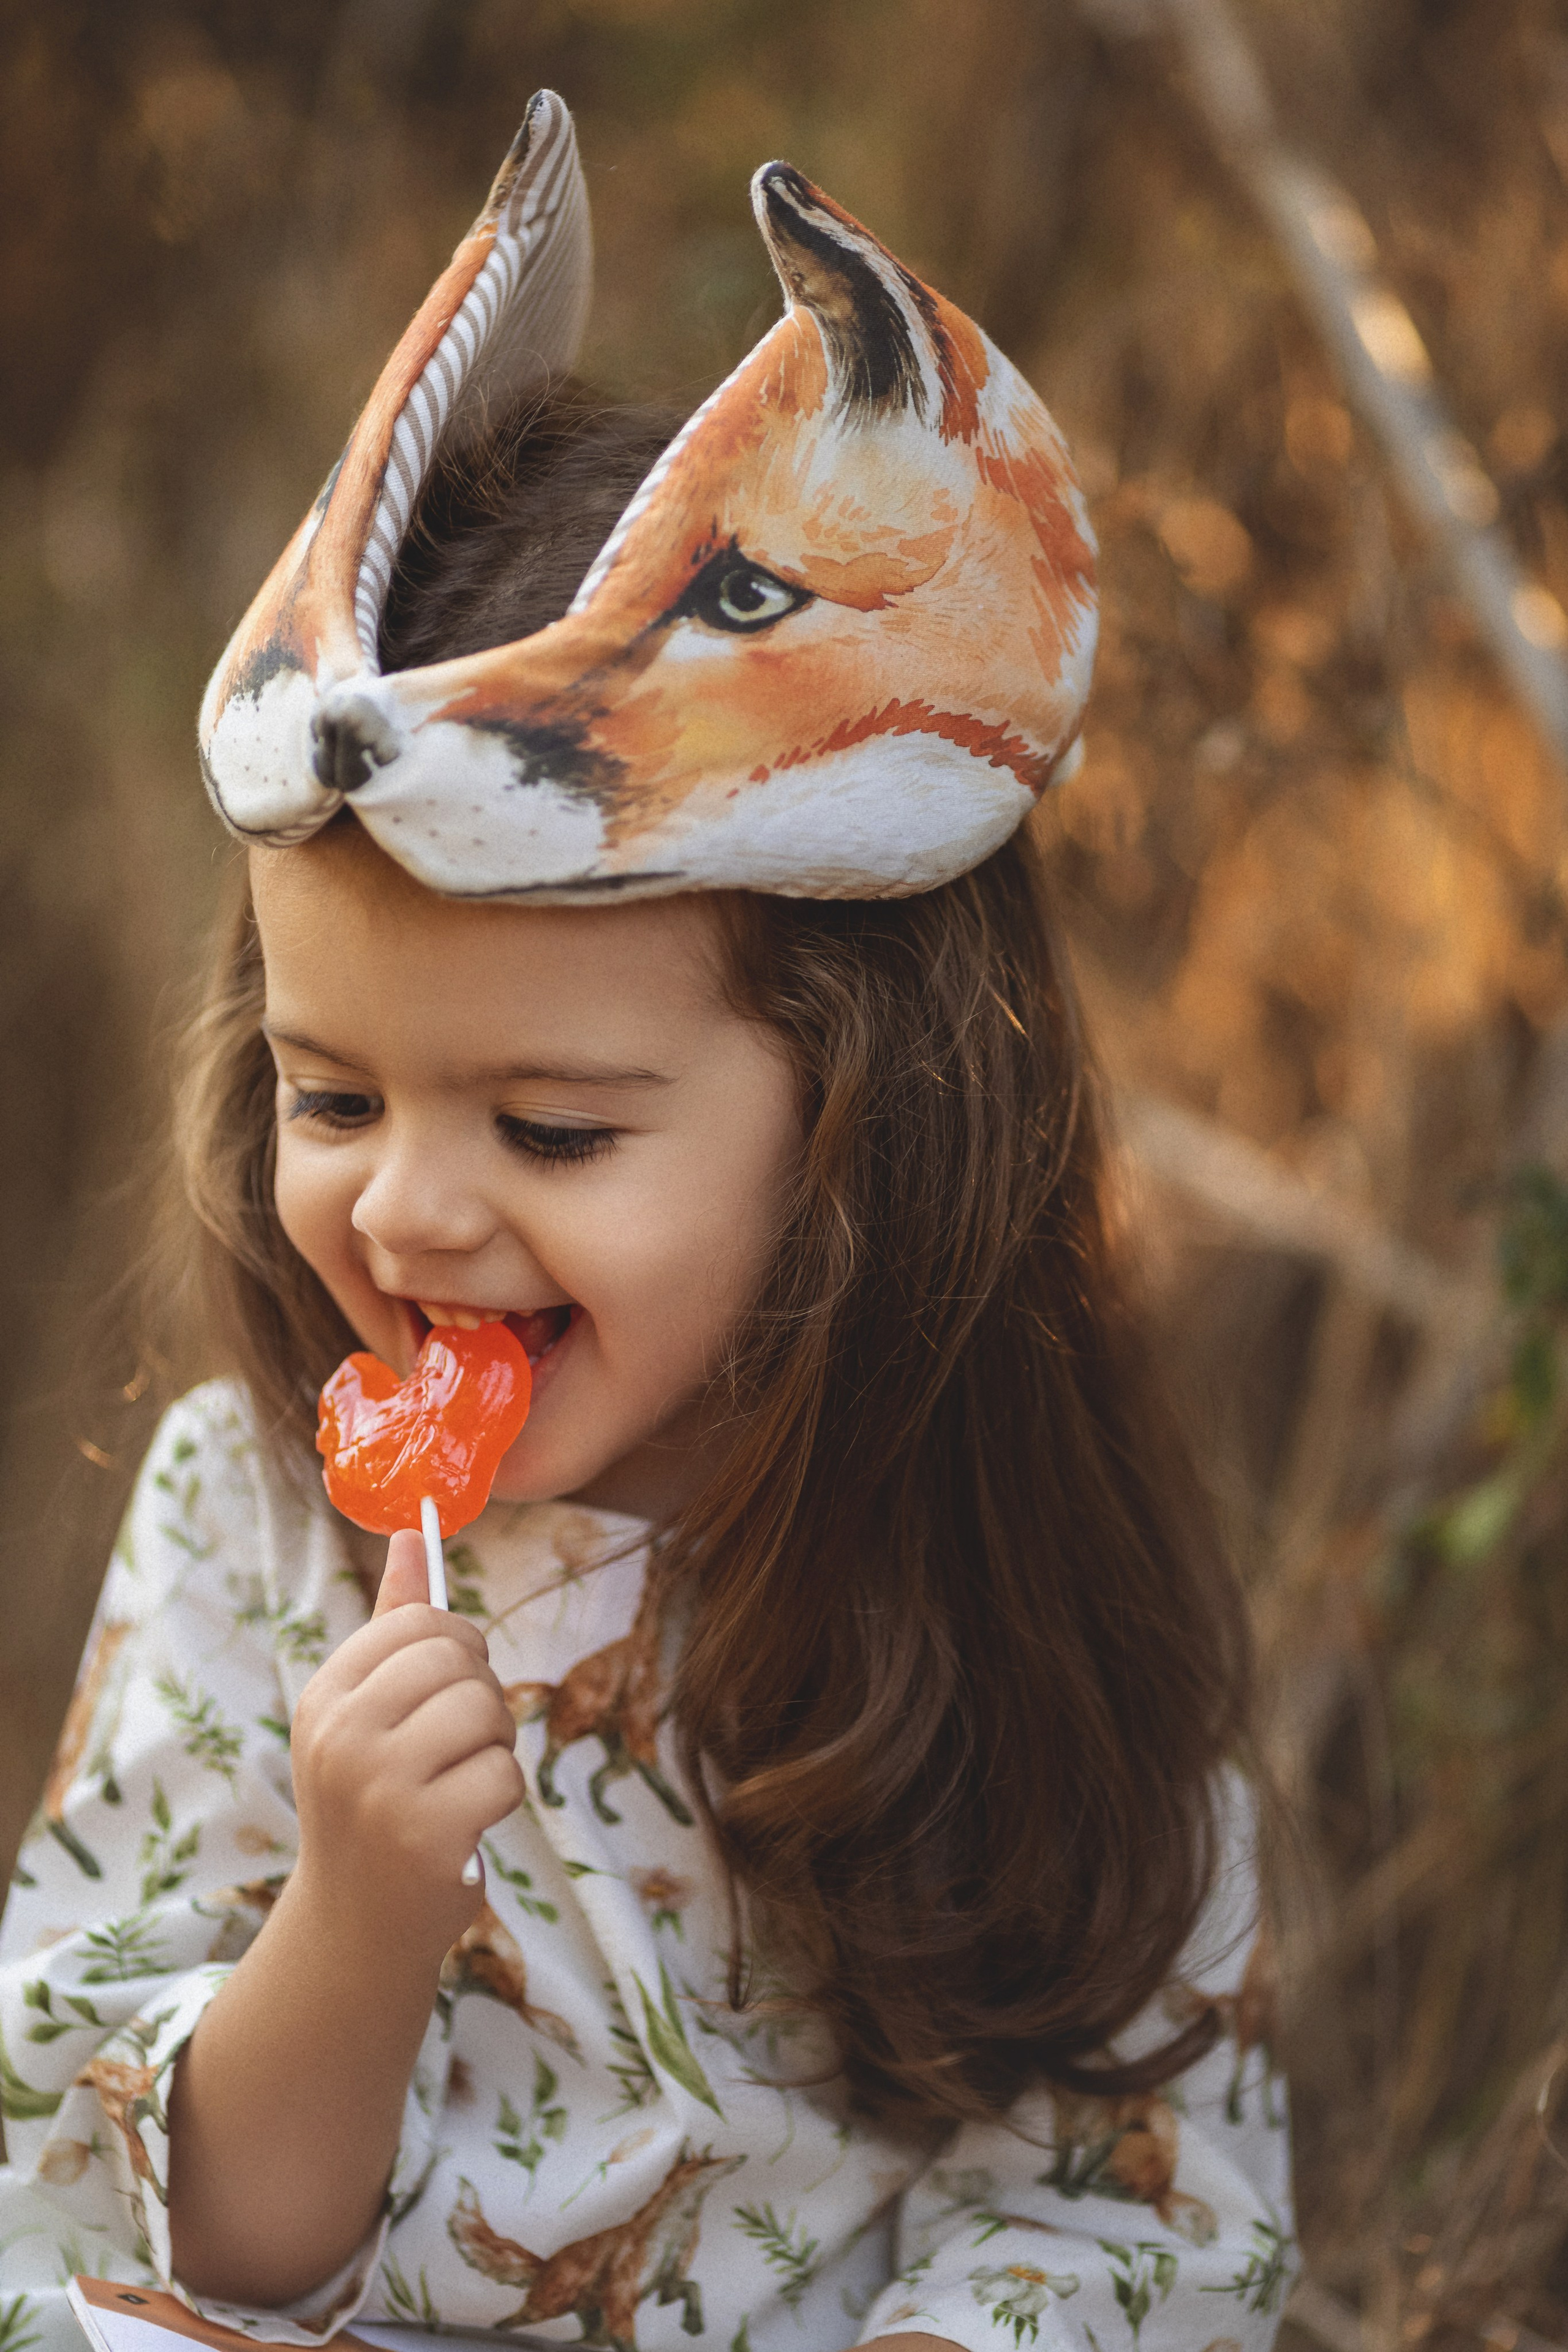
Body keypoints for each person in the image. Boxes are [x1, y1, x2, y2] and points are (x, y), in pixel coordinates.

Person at [0, 92, 1291, 2352]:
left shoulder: (1007, 1603)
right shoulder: (250, 1532)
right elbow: (175, 2238)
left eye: (556, 1132)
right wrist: (359, 1918)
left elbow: (1126, 2221)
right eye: (331, 1093)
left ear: (869, 1136)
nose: (404, 1209)